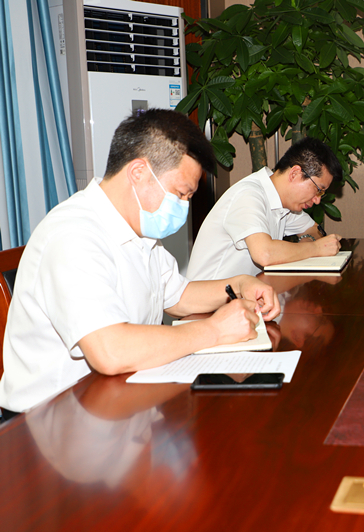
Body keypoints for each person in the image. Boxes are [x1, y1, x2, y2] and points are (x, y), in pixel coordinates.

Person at [0, 109, 281, 416]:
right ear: (138, 172)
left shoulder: (138, 229)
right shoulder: (73, 235)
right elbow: (110, 351)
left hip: (116, 399)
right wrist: (214, 330)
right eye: (181, 194)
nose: (184, 207)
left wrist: (239, 284)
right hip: (47, 421)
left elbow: (178, 297)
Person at [187, 137, 344, 280]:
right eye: (318, 189)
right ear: (295, 173)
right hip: (211, 300)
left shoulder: (286, 203)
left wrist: (307, 240)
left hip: (246, 295)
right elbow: (264, 254)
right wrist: (314, 248)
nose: (317, 200)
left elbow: (314, 230)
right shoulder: (249, 195)